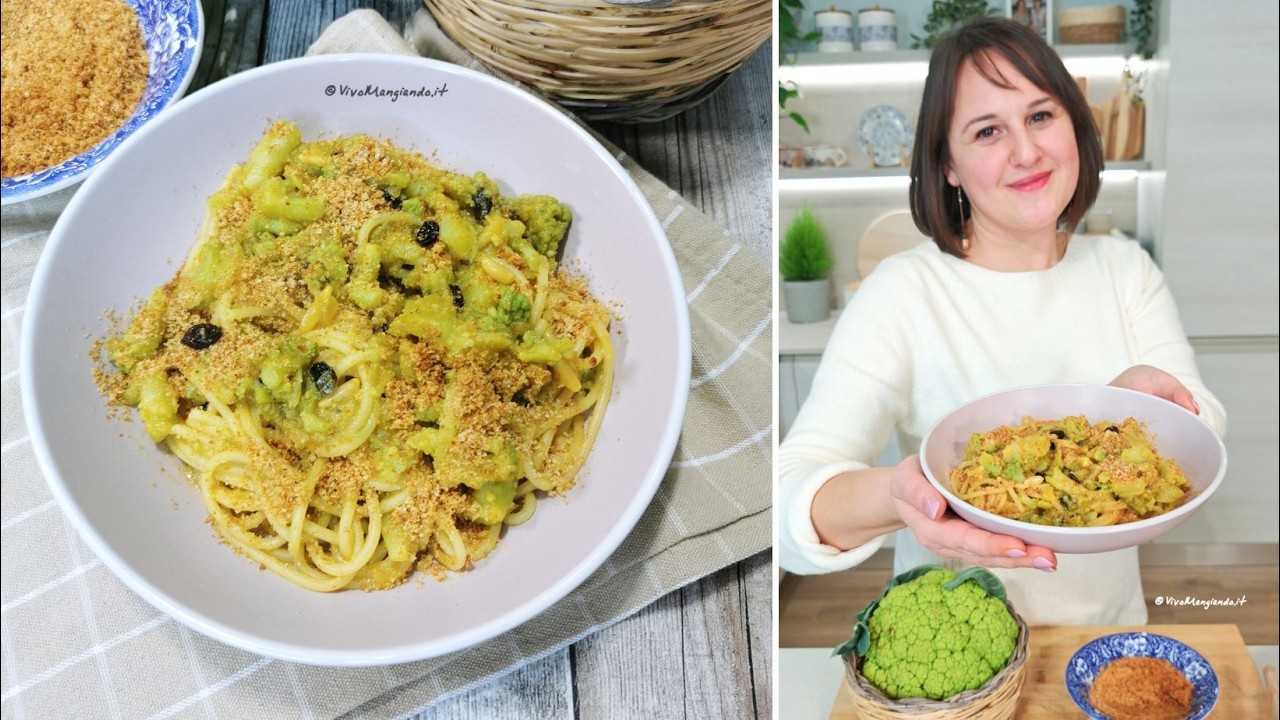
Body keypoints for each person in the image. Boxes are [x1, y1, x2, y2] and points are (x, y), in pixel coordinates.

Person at [777, 17, 1226, 627]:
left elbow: (1204, 424)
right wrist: (899, 497)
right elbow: (788, 496)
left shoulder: (1126, 268)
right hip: (958, 648)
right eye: (988, 131)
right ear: (949, 166)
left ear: (1075, 124)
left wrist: (1135, 414)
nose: (1026, 151)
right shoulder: (903, 293)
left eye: (1041, 116)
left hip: (1108, 632)